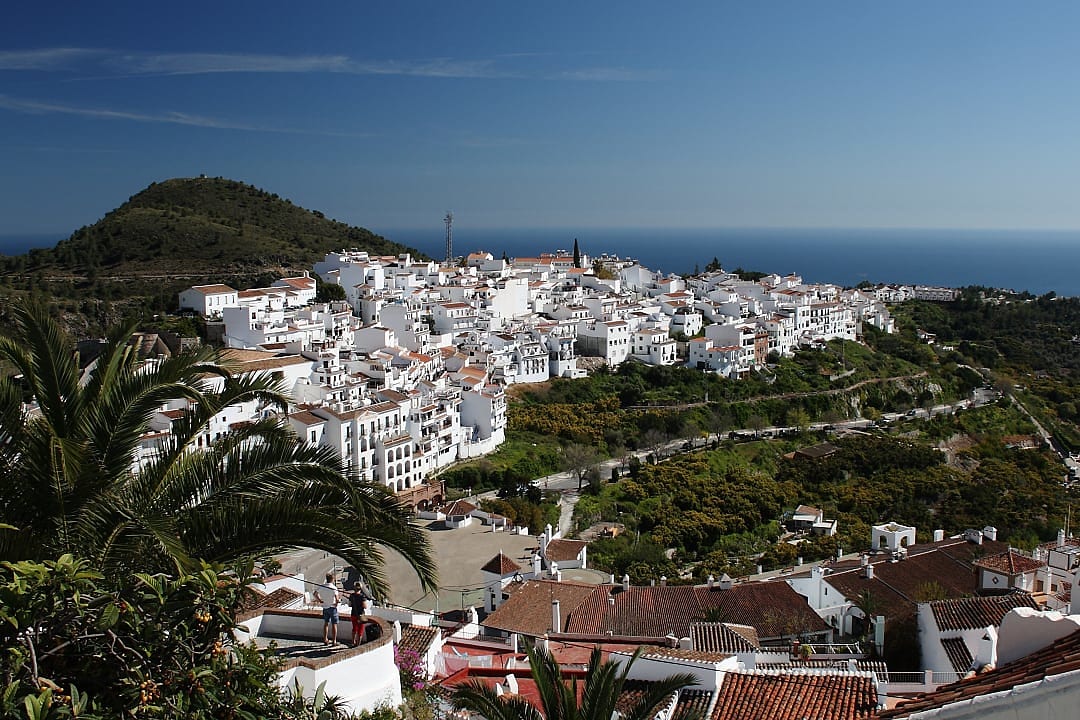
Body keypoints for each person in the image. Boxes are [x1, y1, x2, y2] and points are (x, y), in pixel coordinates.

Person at [313, 572, 340, 645]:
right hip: (332, 607)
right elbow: (337, 599)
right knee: (334, 624)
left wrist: (320, 600)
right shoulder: (334, 588)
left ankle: (325, 639)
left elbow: (315, 593)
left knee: (326, 623)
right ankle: (334, 641)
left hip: (325, 607)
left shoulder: (322, 586)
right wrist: (336, 604)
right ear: (332, 579)